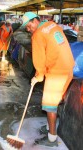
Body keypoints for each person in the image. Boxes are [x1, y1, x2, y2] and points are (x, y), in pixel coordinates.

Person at [21, 12, 75, 147]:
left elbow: (39, 60)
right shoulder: (52, 25)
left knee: (49, 105)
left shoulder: (38, 35)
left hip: (57, 72)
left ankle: (52, 139)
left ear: (34, 21)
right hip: (68, 68)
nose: (28, 30)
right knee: (55, 101)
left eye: (28, 27)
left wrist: (38, 76)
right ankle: (48, 127)